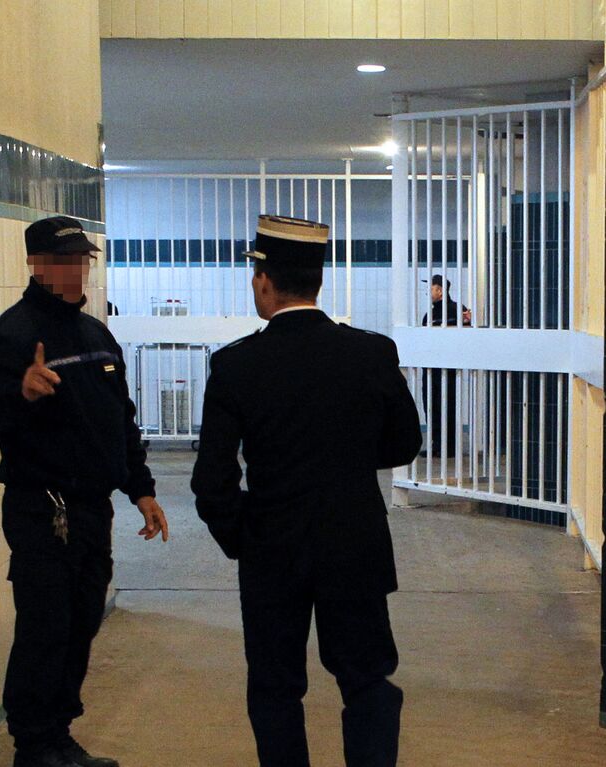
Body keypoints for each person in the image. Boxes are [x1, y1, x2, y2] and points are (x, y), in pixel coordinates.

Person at [192, 214, 422, 767]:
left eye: (256, 277)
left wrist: (244, 537)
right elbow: (403, 443)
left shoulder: (235, 365)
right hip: (354, 542)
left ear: (265, 281)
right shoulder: (371, 353)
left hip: (273, 548)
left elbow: (211, 480)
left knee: (275, 687)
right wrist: (346, 463)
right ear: (317, 281)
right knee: (367, 680)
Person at [0, 216, 171, 767]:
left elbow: (119, 420)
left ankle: (58, 735)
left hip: (90, 508)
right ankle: (33, 745)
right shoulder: (14, 333)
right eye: (61, 262)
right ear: (35, 265)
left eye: (80, 261)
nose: (73, 272)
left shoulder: (95, 335)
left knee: (82, 620)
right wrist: (21, 391)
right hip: (41, 508)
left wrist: (141, 489)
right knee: (45, 625)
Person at [418, 275, 469, 455]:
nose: (428, 291)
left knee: (444, 406)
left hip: (445, 367)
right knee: (433, 405)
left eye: (431, 288)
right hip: (433, 367)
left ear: (440, 290)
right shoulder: (431, 315)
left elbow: (468, 332)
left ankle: (447, 446)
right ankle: (438, 444)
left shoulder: (457, 311)